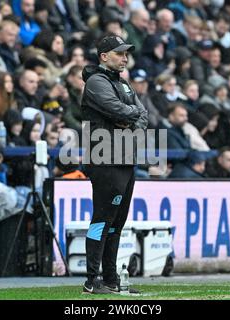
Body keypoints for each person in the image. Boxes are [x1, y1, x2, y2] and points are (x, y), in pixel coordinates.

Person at [81, 35, 147, 294]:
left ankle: (110, 279)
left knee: (116, 223)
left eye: (126, 53)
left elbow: (143, 115)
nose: (125, 57)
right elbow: (117, 110)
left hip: (124, 158)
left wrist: (131, 118)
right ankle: (91, 279)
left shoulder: (123, 84)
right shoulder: (97, 82)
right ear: (104, 56)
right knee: (101, 219)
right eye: (119, 53)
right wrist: (131, 116)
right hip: (104, 158)